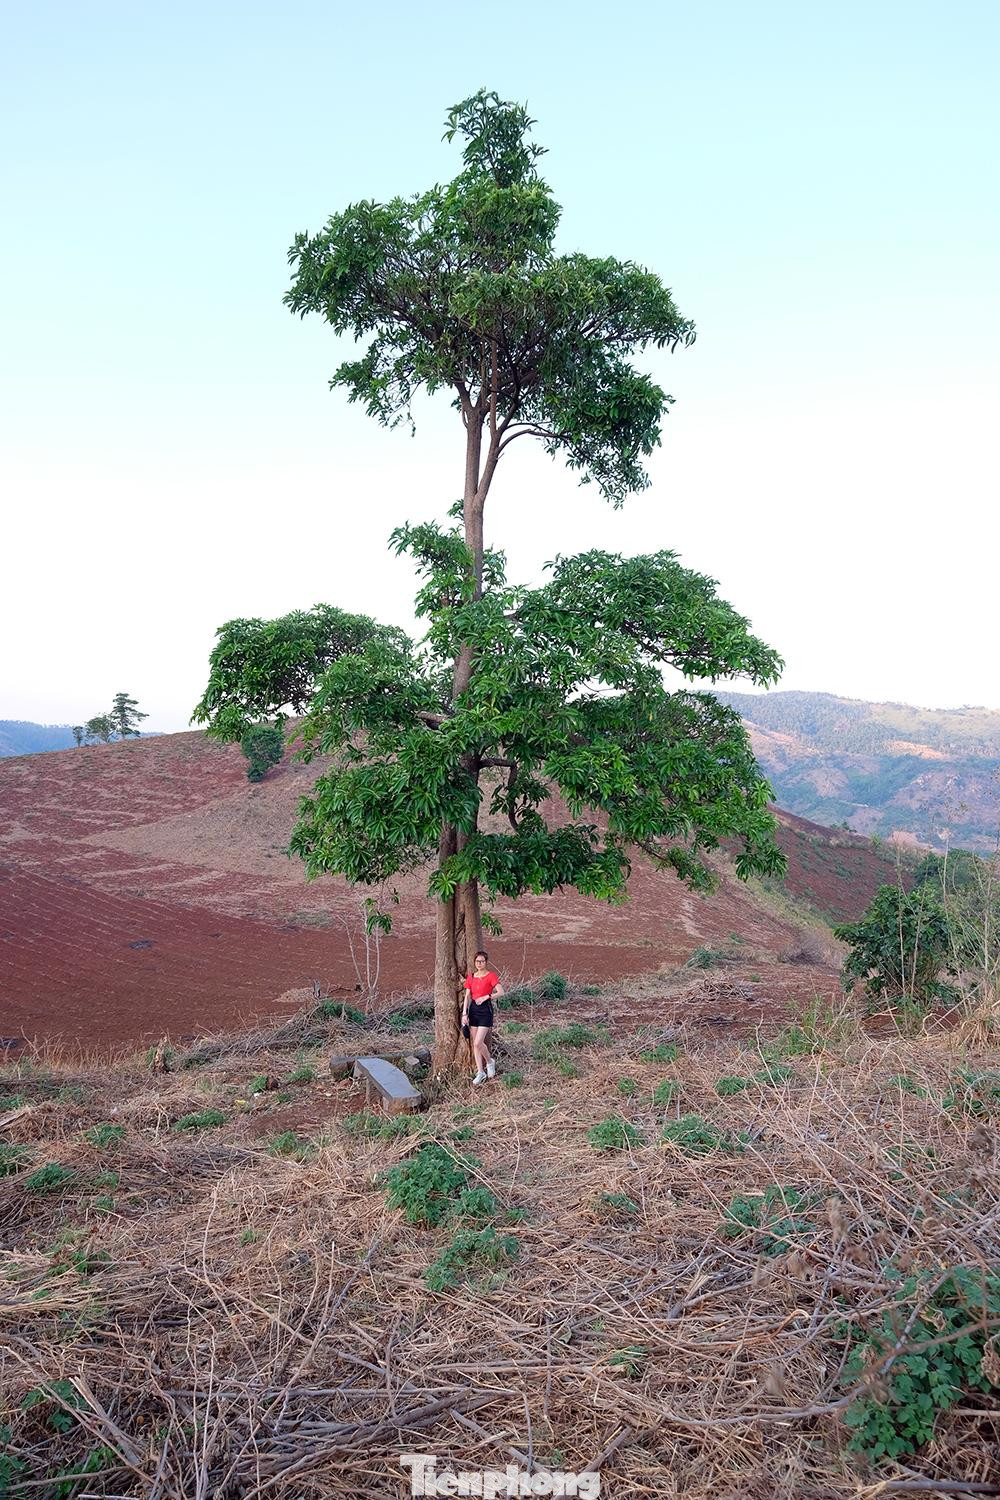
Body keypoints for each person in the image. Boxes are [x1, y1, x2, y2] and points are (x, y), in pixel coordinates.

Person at [461, 949, 504, 1085]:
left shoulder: (491, 976)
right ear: (474, 962)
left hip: (485, 1010)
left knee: (478, 1042)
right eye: (477, 961)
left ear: (486, 962)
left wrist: (487, 996)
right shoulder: (471, 977)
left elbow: (501, 992)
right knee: (475, 1043)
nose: (479, 963)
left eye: (482, 961)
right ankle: (480, 1072)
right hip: (473, 1010)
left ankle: (490, 1061)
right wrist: (464, 1013)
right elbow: (467, 996)